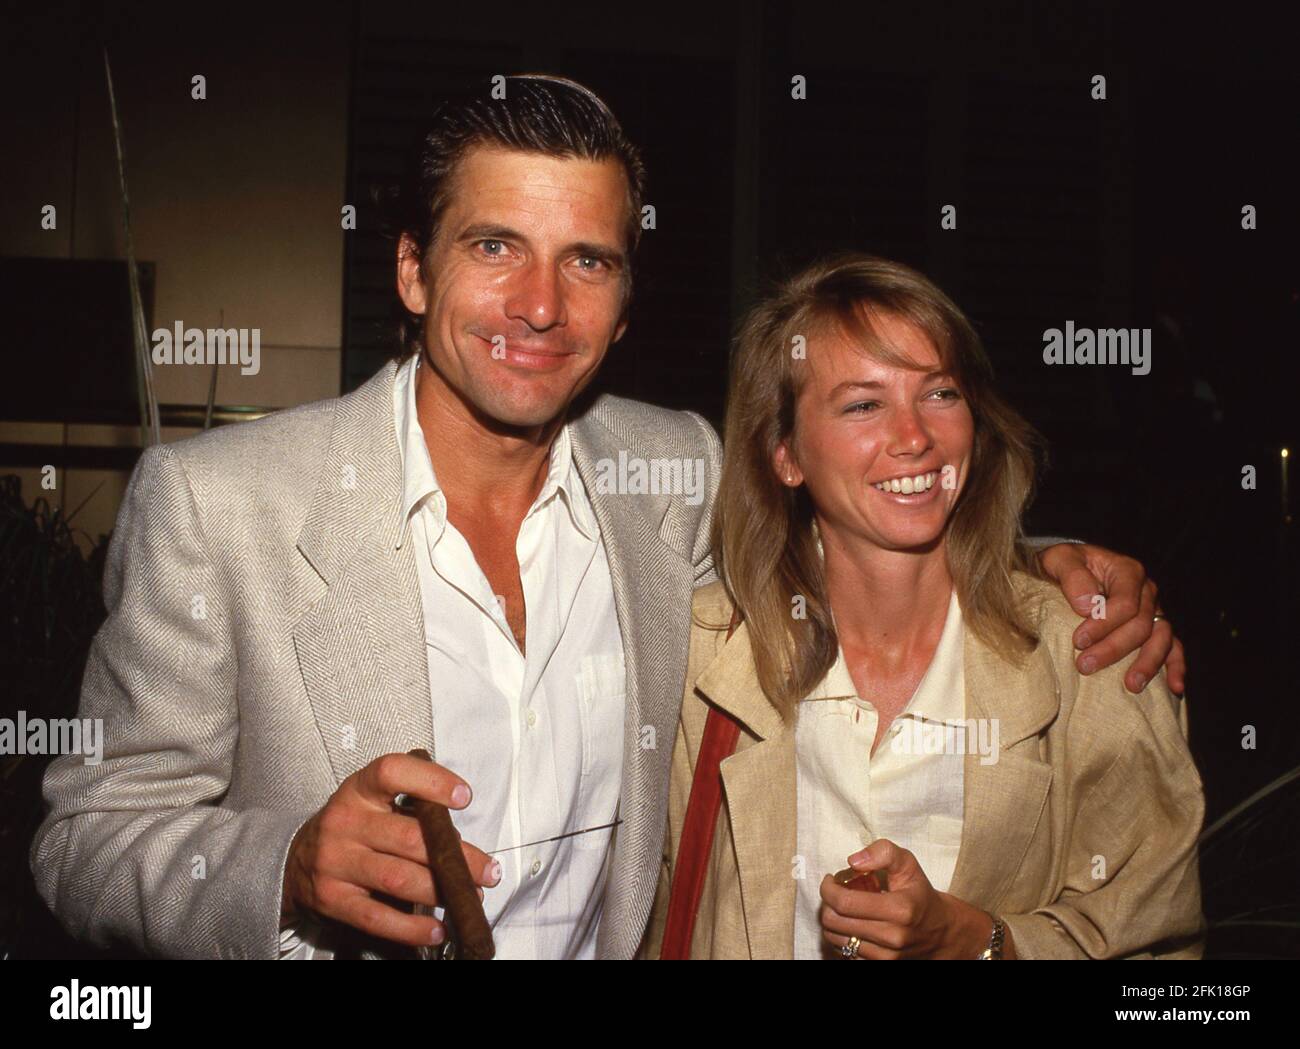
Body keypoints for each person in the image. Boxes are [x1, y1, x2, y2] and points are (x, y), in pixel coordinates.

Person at [31, 79, 1182, 960]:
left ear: (626, 301)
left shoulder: (668, 469)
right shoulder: (219, 503)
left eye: (588, 260)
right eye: (495, 247)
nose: (540, 305)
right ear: (412, 270)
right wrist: (280, 865)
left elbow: (848, 506)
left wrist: (1047, 568)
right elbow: (86, 834)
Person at [645, 253, 1204, 959]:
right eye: (863, 403)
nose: (915, 438)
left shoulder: (1092, 655)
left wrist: (976, 941)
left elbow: (1157, 953)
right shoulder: (694, 656)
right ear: (785, 454)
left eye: (940, 393)